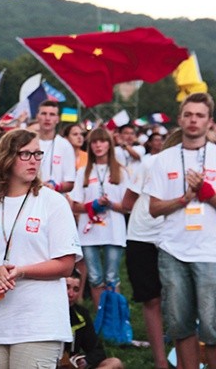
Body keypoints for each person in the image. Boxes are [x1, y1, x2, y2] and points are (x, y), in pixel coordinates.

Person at [0, 128, 81, 369]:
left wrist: (20, 271)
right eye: (25, 154)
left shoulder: (52, 202)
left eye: (38, 154)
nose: (34, 161)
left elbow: (66, 264)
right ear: (6, 157)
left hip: (39, 322)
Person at [146, 92, 216, 369]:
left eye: (199, 115)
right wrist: (183, 199)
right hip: (173, 251)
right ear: (180, 119)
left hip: (210, 252)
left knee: (213, 327)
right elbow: (153, 208)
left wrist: (206, 193)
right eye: (188, 114)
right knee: (180, 324)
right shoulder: (163, 160)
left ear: (209, 121)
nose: (193, 120)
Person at [120, 130, 183, 369]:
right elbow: (127, 201)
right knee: (162, 300)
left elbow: (128, 204)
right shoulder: (150, 164)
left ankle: (170, 361)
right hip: (145, 238)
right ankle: (166, 362)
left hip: (168, 237)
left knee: (160, 301)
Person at [70, 127, 128, 308]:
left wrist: (109, 204)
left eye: (102, 141)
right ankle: (101, 317)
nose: (98, 145)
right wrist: (93, 205)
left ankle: (114, 319)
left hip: (114, 229)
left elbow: (127, 207)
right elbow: (75, 204)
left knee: (112, 276)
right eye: (94, 142)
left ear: (109, 144)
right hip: (90, 231)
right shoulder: (83, 172)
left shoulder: (120, 171)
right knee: (95, 278)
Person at [59, 270, 124, 369]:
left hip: (72, 365)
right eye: (67, 287)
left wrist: (85, 361)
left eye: (76, 289)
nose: (70, 294)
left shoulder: (81, 315)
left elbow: (97, 350)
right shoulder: (44, 312)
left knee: (115, 363)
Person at [36, 100, 76, 193]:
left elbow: (70, 182)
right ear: (37, 117)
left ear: (57, 119)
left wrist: (55, 186)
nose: (47, 118)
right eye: (44, 113)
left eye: (52, 114)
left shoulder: (65, 145)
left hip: (54, 199)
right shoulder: (29, 142)